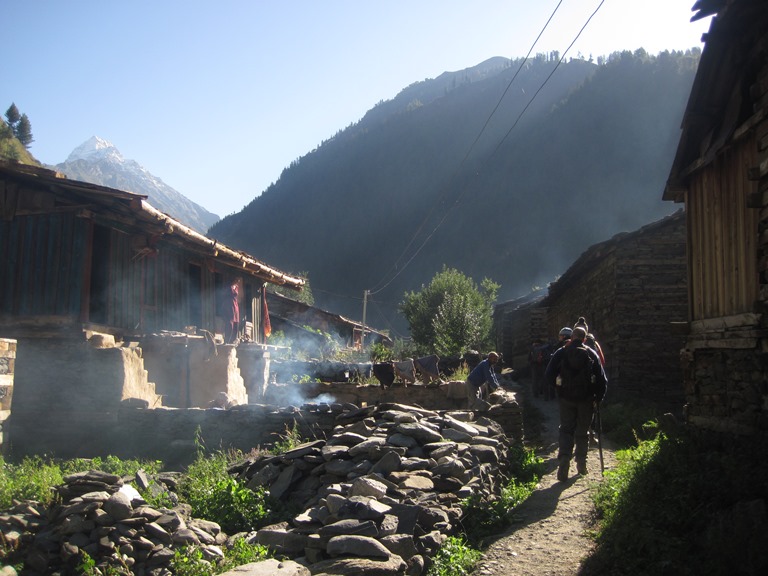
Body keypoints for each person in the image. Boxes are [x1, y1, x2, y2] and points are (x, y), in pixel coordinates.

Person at [545, 324, 607, 481]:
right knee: (582, 432)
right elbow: (602, 380)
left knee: (566, 429)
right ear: (585, 339)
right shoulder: (591, 353)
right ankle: (581, 465)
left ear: (571, 337)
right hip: (586, 399)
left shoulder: (561, 352)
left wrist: (559, 388)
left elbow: (548, 375)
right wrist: (598, 399)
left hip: (566, 398)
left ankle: (564, 459)